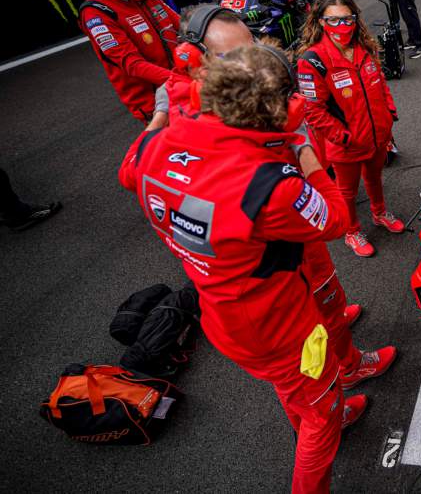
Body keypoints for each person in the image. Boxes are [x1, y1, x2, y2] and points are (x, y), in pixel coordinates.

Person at [119, 44, 376, 493]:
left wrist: (160, 114)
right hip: (279, 324)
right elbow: (335, 219)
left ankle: (314, 410)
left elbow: (129, 168)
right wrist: (305, 153)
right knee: (322, 414)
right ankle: (324, 419)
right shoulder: (268, 185)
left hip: (224, 315)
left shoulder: (152, 149)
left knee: (291, 387)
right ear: (274, 109)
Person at [297, 0, 405, 258]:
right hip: (345, 143)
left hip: (378, 135)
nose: (342, 26)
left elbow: (380, 84)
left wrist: (389, 115)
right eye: (333, 20)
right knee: (346, 191)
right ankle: (351, 230)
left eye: (348, 19)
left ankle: (379, 213)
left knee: (374, 178)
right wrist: (344, 137)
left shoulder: (364, 46)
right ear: (321, 21)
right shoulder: (312, 60)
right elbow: (312, 111)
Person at [79, 0, 180, 122]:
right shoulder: (96, 12)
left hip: (180, 85)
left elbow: (182, 24)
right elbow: (132, 65)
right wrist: (180, 80)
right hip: (156, 103)